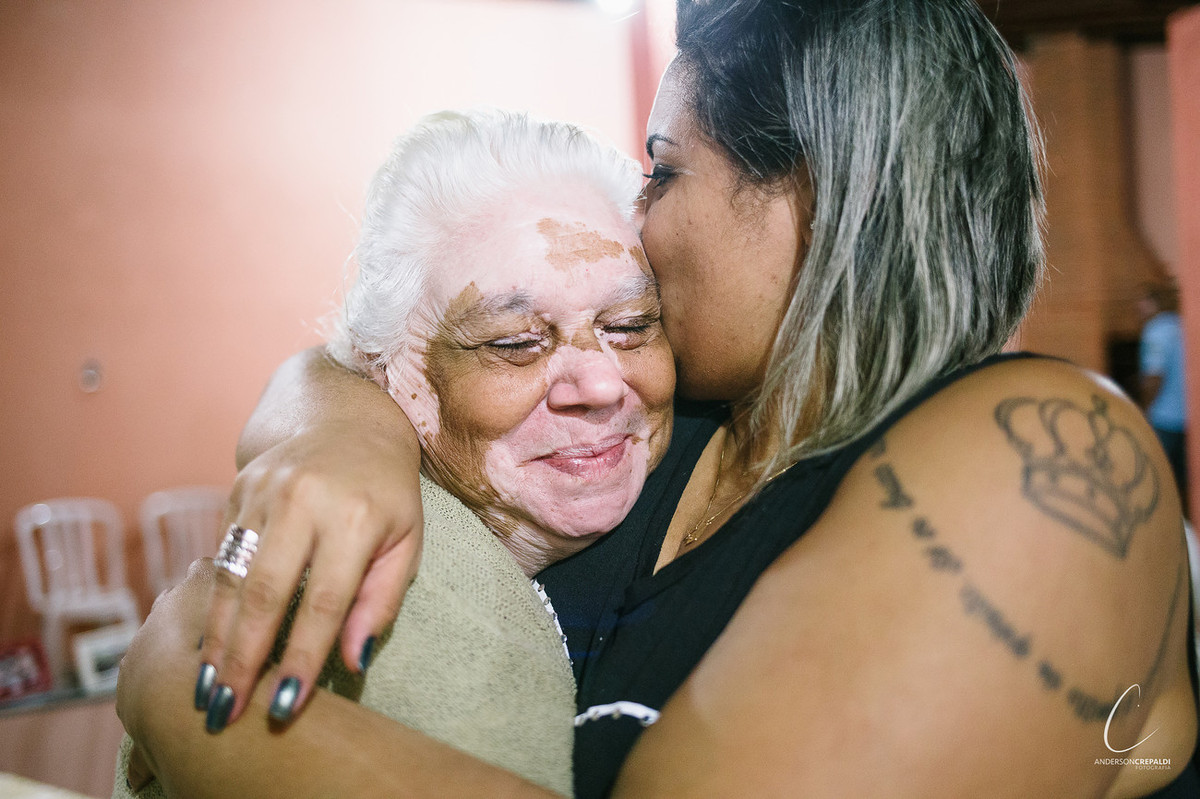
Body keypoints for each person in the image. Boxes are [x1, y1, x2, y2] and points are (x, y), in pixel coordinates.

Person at [118, 1, 1198, 796]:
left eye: (666, 170)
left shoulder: (1038, 460)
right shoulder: (661, 437)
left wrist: (187, 689)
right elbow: (400, 360)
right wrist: (329, 422)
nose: (640, 220)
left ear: (815, 196)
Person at [116, 109, 673, 797]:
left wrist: (176, 698)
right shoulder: (427, 603)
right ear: (390, 376)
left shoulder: (720, 451)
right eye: (514, 342)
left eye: (629, 325)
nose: (599, 382)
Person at [1139, 281, 1190, 517]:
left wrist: (1143, 409)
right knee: (1186, 483)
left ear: (1154, 303)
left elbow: (1154, 377)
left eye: (1143, 301)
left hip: (1164, 419)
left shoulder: (1155, 331)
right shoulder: (1183, 325)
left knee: (1162, 486)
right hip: (1188, 418)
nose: (1138, 307)